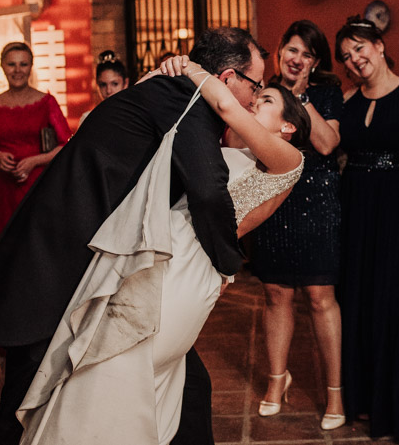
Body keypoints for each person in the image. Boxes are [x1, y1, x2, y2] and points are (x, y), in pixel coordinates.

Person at [0, 28, 267, 445]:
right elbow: (208, 191)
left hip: (89, 265)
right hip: (57, 268)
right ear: (229, 79)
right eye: (257, 86)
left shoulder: (168, 89)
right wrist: (227, 263)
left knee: (188, 386)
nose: (254, 98)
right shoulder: (187, 102)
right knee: (24, 406)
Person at [15, 55, 310, 445]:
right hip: (154, 253)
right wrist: (154, 78)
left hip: (186, 267)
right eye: (256, 93)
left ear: (288, 126)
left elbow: (224, 103)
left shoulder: (290, 162)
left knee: (117, 365)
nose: (255, 101)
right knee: (131, 379)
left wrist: (188, 65)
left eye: (267, 99)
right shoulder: (220, 147)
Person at [335, 16, 399, 443]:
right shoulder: (346, 100)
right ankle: (369, 399)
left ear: (379, 45)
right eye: (346, 56)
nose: (354, 59)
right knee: (363, 301)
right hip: (359, 211)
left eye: (359, 48)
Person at [251, 20, 345, 429]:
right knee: (276, 293)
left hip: (318, 199)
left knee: (321, 296)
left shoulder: (327, 92)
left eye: (307, 54)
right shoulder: (263, 91)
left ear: (316, 61)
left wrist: (301, 97)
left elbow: (325, 143)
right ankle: (276, 381)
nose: (297, 59)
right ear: (279, 52)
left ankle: (335, 393)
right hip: (275, 196)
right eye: (292, 50)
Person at [0, 42, 71, 252]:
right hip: (1, 191)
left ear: (31, 67)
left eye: (23, 64)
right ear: (2, 67)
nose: (17, 70)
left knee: (37, 248)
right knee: (3, 250)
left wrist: (35, 161)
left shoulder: (47, 103)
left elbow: (67, 145)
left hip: (37, 188)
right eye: (11, 64)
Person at [79, 49, 130, 126]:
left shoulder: (134, 117)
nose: (108, 91)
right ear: (97, 85)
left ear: (125, 83)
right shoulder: (88, 119)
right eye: (103, 85)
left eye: (115, 84)